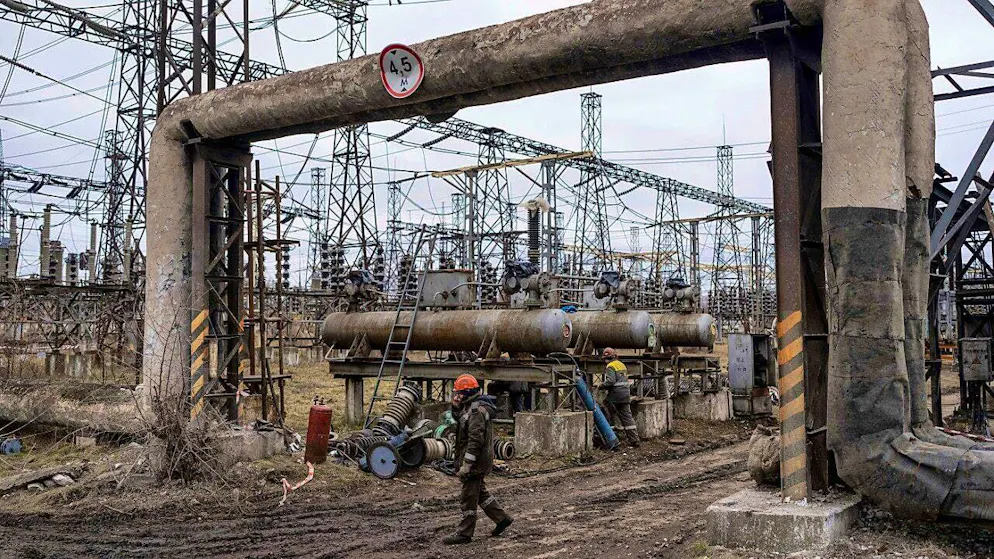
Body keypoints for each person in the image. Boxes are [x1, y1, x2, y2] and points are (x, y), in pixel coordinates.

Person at [443, 374, 514, 545]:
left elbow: (475, 440)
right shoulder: (471, 407)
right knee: (481, 493)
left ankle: (464, 533)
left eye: (459, 393)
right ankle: (501, 518)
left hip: (476, 462)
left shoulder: (476, 411)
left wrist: (467, 465)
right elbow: (461, 421)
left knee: (468, 497)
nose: (456, 396)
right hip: (479, 461)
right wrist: (455, 407)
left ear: (467, 393)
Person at [598, 347, 640, 448]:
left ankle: (611, 438)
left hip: (616, 394)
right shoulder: (621, 364)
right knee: (627, 417)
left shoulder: (610, 366)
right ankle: (635, 440)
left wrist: (601, 385)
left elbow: (611, 381)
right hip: (626, 394)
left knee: (606, 411)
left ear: (607, 358)